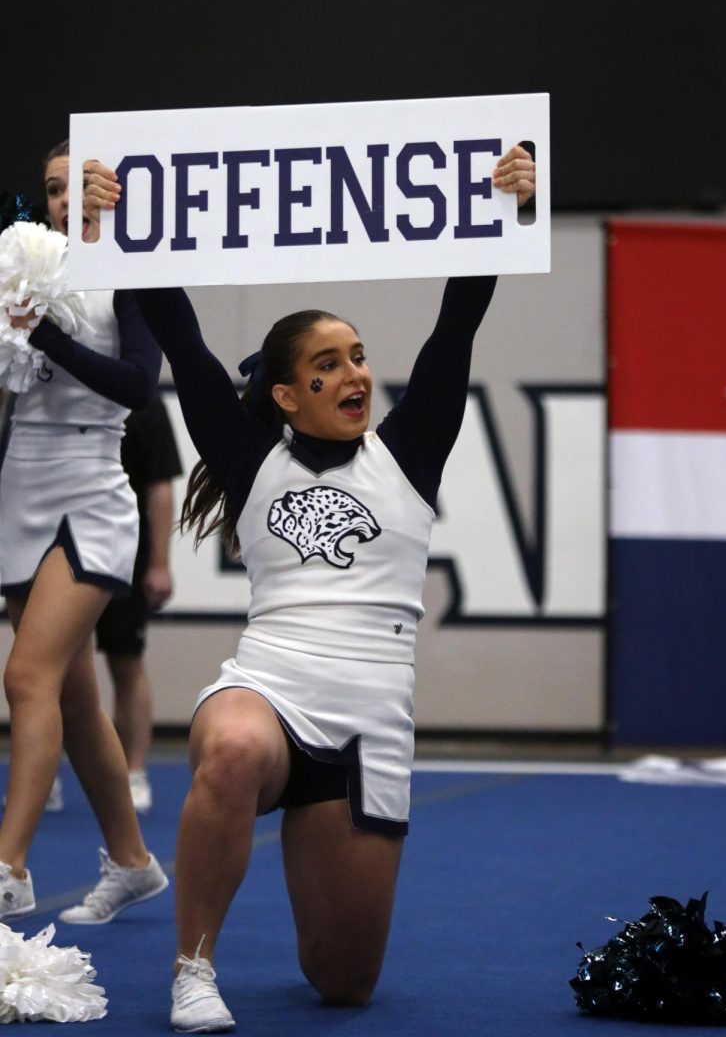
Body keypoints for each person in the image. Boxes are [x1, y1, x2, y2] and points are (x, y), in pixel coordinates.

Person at [85, 145, 535, 1033]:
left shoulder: (406, 456)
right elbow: (180, 333)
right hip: (272, 689)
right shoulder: (254, 462)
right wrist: (124, 220)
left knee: (344, 983)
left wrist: (508, 205)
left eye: (361, 356)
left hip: (369, 730)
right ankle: (193, 969)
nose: (357, 374)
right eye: (329, 364)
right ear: (288, 395)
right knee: (234, 752)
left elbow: (458, 325)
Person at [0, 141, 169, 924]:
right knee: (71, 697)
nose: (65, 199)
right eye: (52, 189)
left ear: (112, 193)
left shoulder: (130, 278)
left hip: (93, 492)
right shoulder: (19, 272)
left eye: (80, 185)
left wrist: (47, 339)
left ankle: (9, 867)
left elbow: (137, 385)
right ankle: (132, 863)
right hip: (18, 490)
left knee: (25, 678)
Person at [95, 392, 183, 813]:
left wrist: (160, 563)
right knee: (50, 671)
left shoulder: (142, 399)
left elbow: (160, 486)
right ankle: (46, 773)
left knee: (126, 662)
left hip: (124, 555)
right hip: (58, 548)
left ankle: (134, 772)